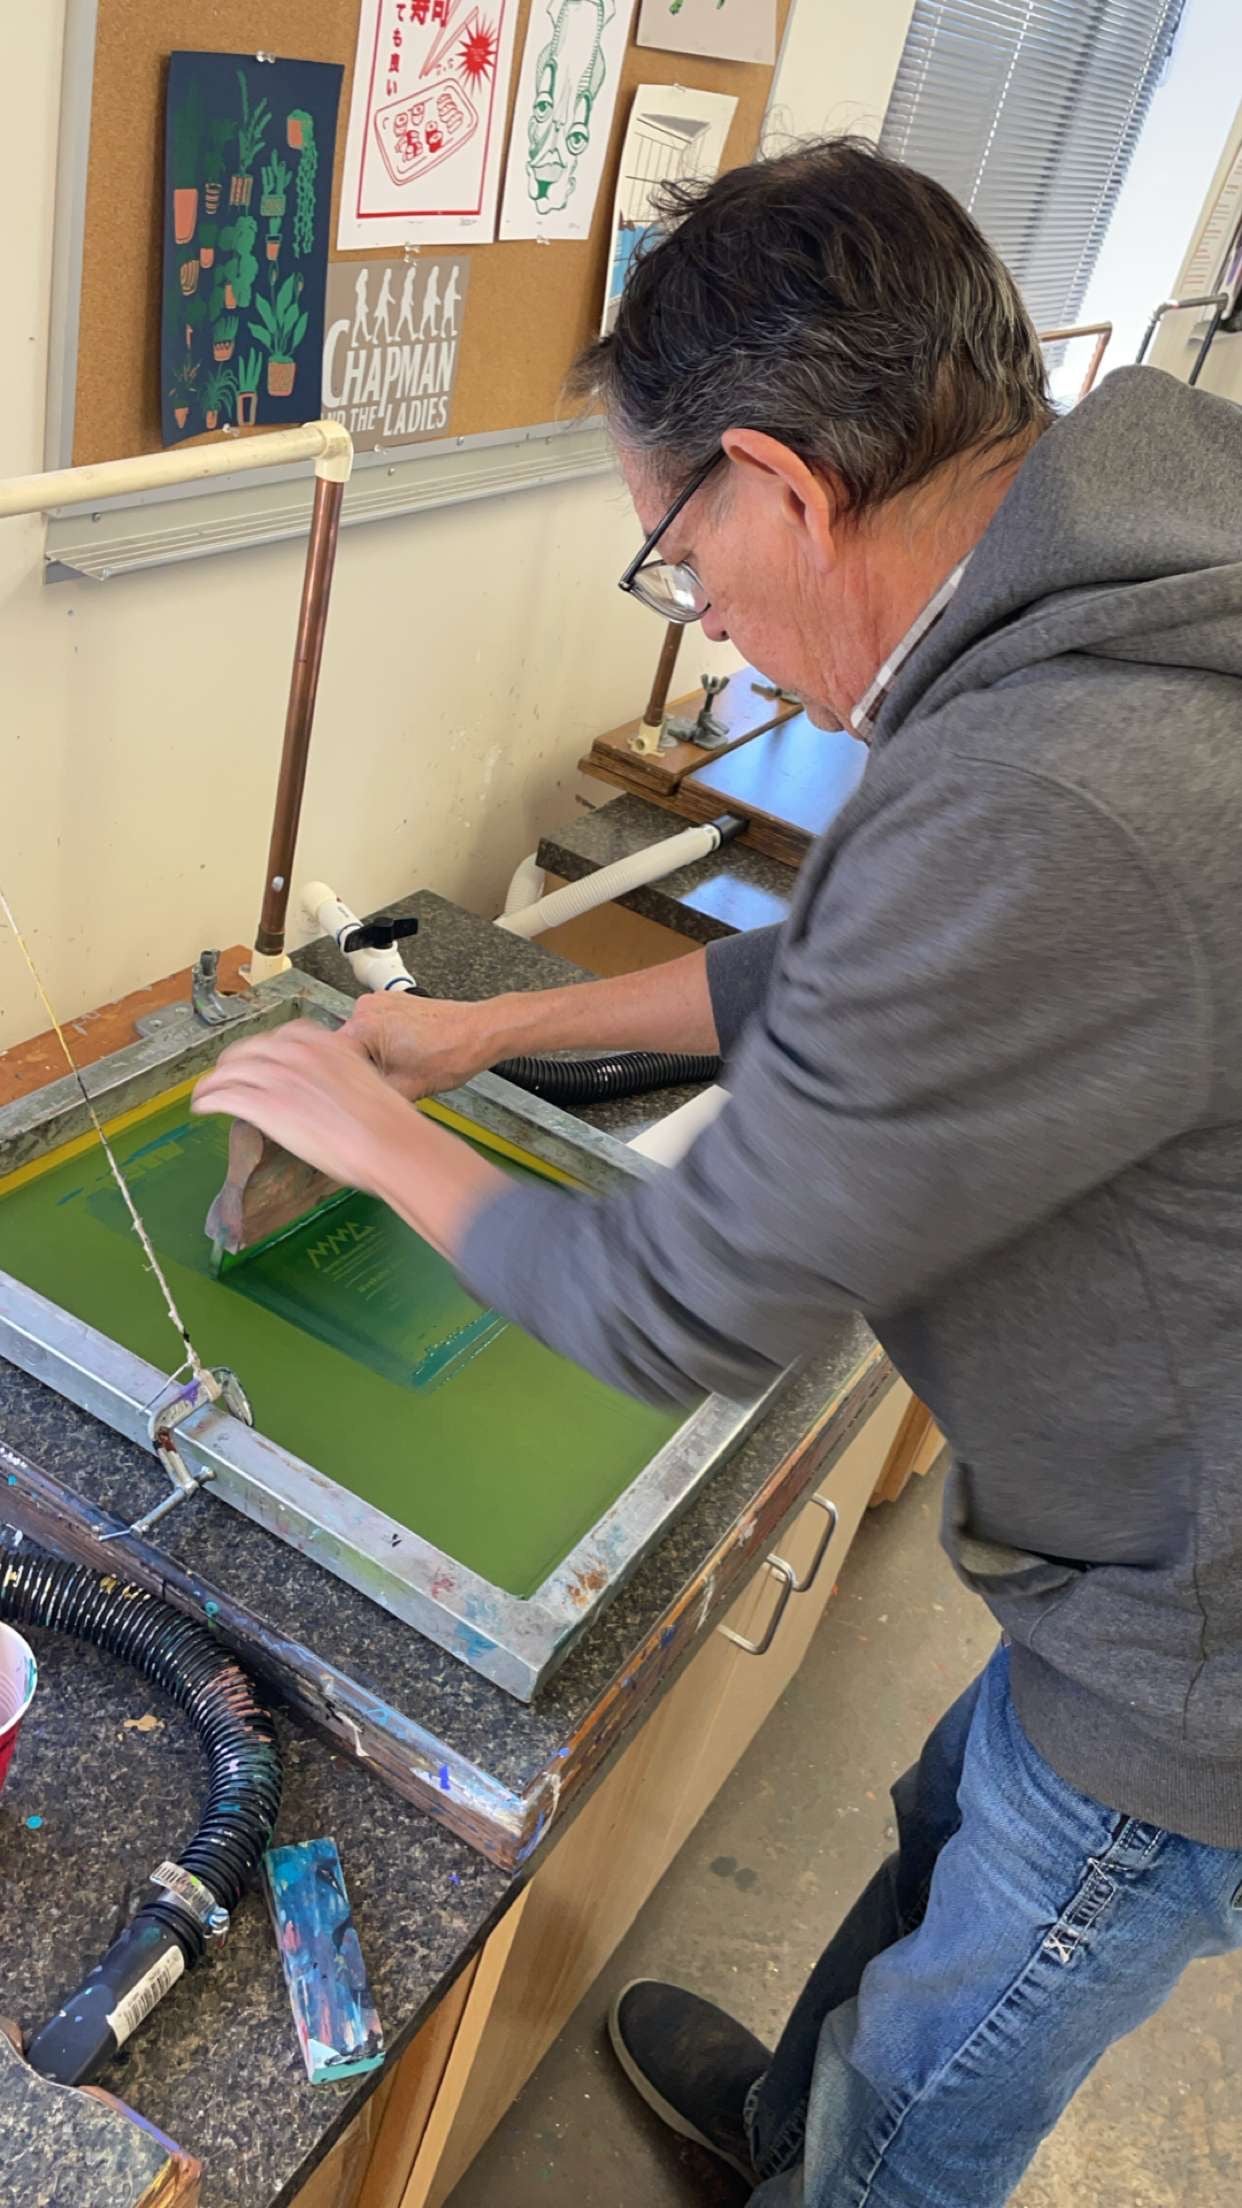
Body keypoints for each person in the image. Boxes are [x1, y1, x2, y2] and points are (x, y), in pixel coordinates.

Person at [194, 140, 1242, 2207]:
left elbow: (672, 1303)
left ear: (775, 480)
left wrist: (371, 1135)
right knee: (951, 1836)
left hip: (1194, 1646)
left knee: (936, 2092)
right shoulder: (1111, 600)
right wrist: (487, 1032)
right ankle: (786, 2125)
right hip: (1132, 1539)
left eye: (675, 559)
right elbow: (851, 960)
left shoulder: (1058, 779)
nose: (717, 632)